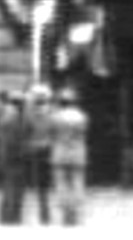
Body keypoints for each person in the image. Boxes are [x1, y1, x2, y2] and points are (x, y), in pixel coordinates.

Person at [49, 88, 90, 226]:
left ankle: (65, 213)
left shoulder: (55, 117)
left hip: (60, 153)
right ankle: (75, 211)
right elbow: (83, 133)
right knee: (77, 181)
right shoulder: (81, 116)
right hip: (77, 153)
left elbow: (52, 134)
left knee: (61, 182)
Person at [0, 91, 32, 225]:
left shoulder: (7, 114)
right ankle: (12, 216)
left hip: (7, 155)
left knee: (8, 186)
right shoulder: (14, 116)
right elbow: (14, 139)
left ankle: (7, 216)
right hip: (14, 156)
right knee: (14, 187)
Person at [24, 85, 55, 224]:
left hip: (35, 148)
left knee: (39, 183)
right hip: (49, 148)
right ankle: (46, 212)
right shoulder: (52, 112)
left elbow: (27, 130)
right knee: (46, 182)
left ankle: (43, 212)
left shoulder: (29, 114)